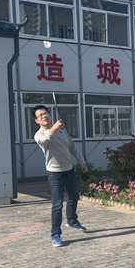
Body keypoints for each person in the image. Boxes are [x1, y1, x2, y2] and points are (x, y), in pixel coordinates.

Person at [33, 105, 88, 247]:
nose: (44, 116)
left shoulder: (62, 131)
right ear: (37, 120)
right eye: (40, 115)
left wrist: (81, 161)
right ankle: (55, 235)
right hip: (54, 174)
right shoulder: (39, 135)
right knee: (57, 205)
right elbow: (46, 139)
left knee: (74, 197)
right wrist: (56, 127)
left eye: (46, 113)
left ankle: (72, 221)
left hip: (69, 170)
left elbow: (72, 146)